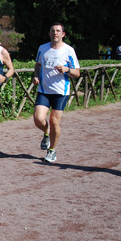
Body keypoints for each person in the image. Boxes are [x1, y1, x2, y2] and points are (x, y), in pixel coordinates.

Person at [32, 22, 80, 163]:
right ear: (49, 33)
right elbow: (38, 65)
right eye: (53, 30)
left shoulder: (69, 50)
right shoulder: (43, 48)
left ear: (63, 34)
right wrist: (36, 76)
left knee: (54, 121)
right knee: (38, 119)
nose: (55, 33)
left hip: (61, 92)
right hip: (44, 91)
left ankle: (52, 151)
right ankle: (47, 133)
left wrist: (67, 70)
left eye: (58, 31)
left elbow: (77, 72)